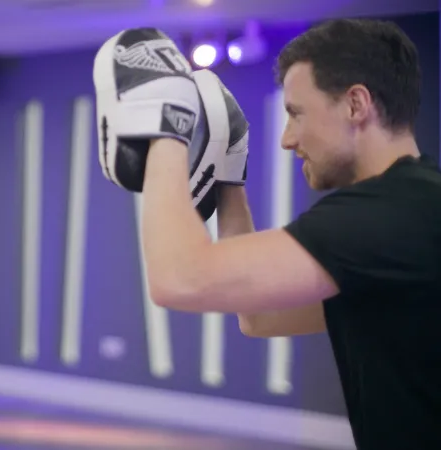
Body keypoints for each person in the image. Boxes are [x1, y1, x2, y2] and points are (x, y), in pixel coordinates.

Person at [93, 19, 440, 449]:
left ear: (356, 105)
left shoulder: (389, 214)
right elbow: (259, 315)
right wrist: (229, 180)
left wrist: (166, 125)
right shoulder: (411, 211)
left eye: (296, 114)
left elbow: (177, 279)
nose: (286, 139)